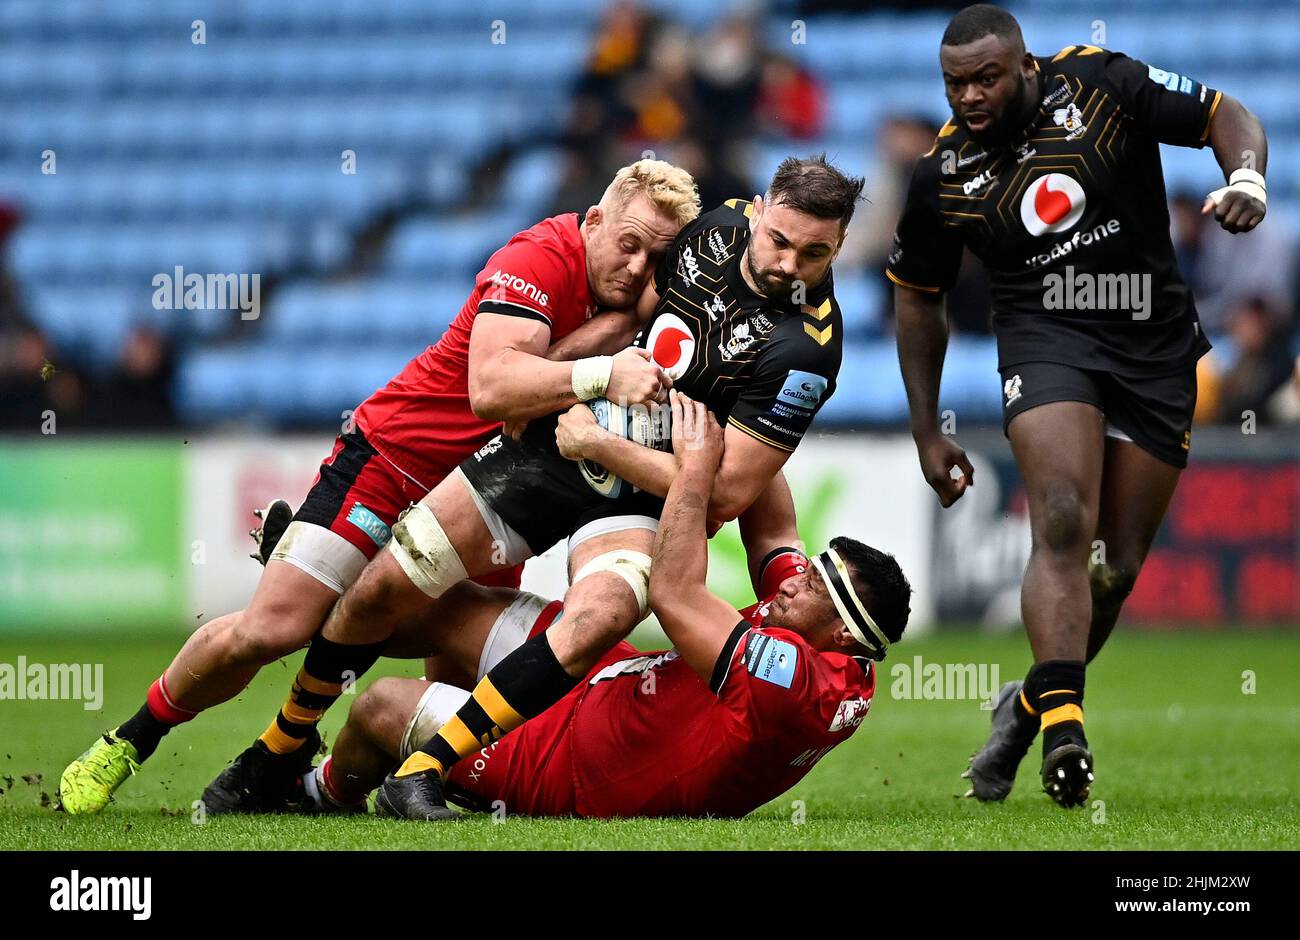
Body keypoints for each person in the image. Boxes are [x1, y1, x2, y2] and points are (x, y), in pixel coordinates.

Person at [220, 154, 864, 819]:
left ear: (840, 248)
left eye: (815, 254)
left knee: (599, 618)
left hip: (644, 495)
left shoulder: (808, 352)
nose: (789, 264)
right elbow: (628, 315)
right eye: (780, 241)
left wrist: (603, 444)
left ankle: (423, 770)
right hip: (562, 441)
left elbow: (725, 495)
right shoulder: (717, 227)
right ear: (758, 210)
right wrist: (567, 377)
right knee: (383, 589)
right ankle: (277, 750)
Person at [58, 158, 699, 815]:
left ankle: (340, 782)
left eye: (657, 259)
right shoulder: (539, 257)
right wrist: (603, 365)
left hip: (490, 497)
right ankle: (131, 739)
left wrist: (623, 330)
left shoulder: (637, 309)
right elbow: (493, 391)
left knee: (451, 653)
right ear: (592, 221)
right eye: (627, 244)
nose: (637, 268)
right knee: (273, 628)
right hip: (395, 462)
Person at [888, 5, 1268, 807]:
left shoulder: (1101, 83)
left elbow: (1223, 115)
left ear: (1025, 68)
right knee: (1062, 516)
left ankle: (1028, 705)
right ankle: (1066, 729)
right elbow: (920, 299)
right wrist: (927, 428)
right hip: (1044, 340)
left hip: (1156, 345)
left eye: (986, 78)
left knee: (1115, 569)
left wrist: (1246, 177)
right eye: (955, 83)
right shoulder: (942, 173)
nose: (970, 96)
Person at [306, 392, 911, 819]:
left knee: (380, 706)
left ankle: (321, 790)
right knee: (434, 601)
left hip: (570, 766)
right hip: (608, 679)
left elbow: (674, 592)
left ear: (844, 633)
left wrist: (671, 465)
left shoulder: (790, 679)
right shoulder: (830, 647)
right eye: (811, 572)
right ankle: (309, 594)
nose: (792, 582)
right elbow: (776, 534)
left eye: (815, 588)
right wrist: (745, 418)